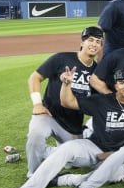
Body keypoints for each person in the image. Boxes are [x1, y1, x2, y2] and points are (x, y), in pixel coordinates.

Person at [19, 68, 124, 188]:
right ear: (116, 85)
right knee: (66, 149)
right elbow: (68, 102)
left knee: (118, 174)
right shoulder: (102, 101)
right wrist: (67, 85)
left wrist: (115, 155)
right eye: (122, 82)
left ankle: (65, 180)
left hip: (117, 156)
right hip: (93, 148)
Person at [25, 27, 104, 177]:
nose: (94, 44)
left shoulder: (97, 72)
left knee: (75, 163)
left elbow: (95, 102)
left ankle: (57, 152)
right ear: (82, 42)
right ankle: (33, 174)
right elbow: (35, 78)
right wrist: (37, 104)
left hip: (72, 126)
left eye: (98, 42)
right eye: (90, 40)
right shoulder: (62, 58)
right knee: (35, 135)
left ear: (101, 47)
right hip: (49, 115)